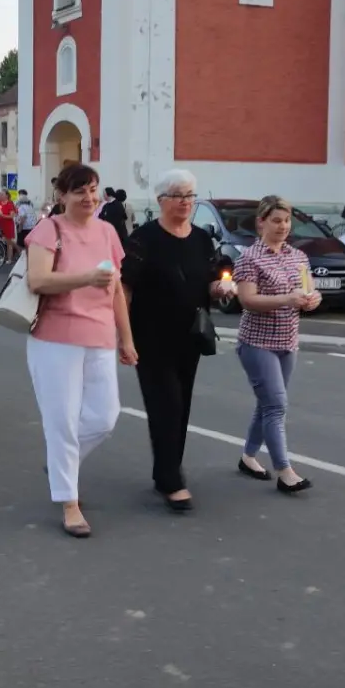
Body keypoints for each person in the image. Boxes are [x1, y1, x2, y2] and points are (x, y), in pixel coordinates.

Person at [24, 163, 137, 538]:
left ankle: (62, 466)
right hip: (56, 337)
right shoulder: (48, 230)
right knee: (62, 422)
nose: (88, 198)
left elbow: (117, 289)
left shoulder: (107, 231)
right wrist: (86, 278)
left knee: (105, 416)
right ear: (62, 196)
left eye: (92, 190)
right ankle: (69, 502)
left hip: (101, 335)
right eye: (79, 191)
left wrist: (127, 338)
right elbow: (38, 280)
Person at [122, 169, 234, 510]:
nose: (186, 202)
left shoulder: (201, 239)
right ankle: (172, 481)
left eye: (190, 196)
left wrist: (221, 288)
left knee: (181, 405)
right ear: (161, 201)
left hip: (190, 336)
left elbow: (213, 280)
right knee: (165, 405)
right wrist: (122, 335)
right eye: (178, 196)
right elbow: (124, 289)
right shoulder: (143, 239)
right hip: (150, 337)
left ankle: (165, 472)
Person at [232, 196, 321, 493]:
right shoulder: (249, 258)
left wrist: (312, 300)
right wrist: (286, 299)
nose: (283, 226)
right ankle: (285, 470)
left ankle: (248, 456)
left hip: (288, 341)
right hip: (257, 343)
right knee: (276, 405)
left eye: (286, 221)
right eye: (276, 220)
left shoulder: (298, 257)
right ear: (261, 222)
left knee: (268, 403)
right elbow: (247, 299)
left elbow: (308, 293)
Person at [0, 188, 18, 257]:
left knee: (9, 243)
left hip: (8, 225)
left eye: (2, 194)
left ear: (6, 196)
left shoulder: (10, 203)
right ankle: (18, 250)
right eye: (0, 194)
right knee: (3, 241)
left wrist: (2, 215)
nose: (0, 195)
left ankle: (9, 258)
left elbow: (12, 216)